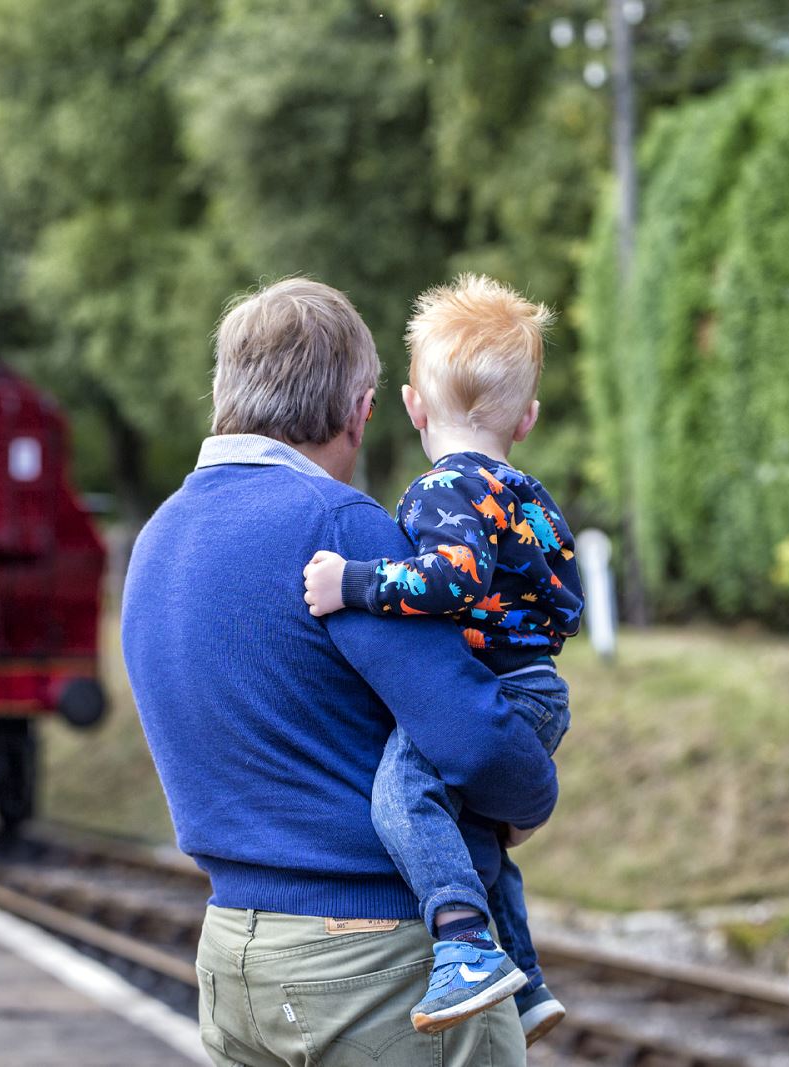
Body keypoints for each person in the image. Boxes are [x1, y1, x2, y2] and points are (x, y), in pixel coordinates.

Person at [123, 277, 555, 1067]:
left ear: (224, 391)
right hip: (371, 964)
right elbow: (473, 739)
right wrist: (531, 797)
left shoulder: (158, 539)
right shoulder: (339, 527)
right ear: (362, 408)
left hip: (231, 954)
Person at [301, 274, 583, 1045]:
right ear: (526, 418)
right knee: (479, 835)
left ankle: (462, 942)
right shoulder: (528, 497)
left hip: (491, 690)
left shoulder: (441, 489)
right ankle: (522, 977)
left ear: (414, 407)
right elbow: (568, 599)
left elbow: (453, 576)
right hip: (538, 689)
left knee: (401, 795)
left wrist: (351, 583)